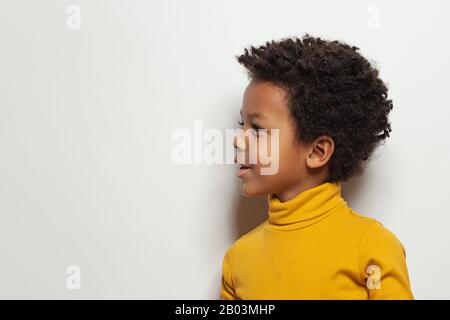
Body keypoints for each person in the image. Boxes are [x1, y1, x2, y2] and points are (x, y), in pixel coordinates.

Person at [221, 34, 414, 299]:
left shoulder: (372, 247)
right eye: (242, 124)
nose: (238, 139)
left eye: (258, 129)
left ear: (317, 151)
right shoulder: (237, 261)